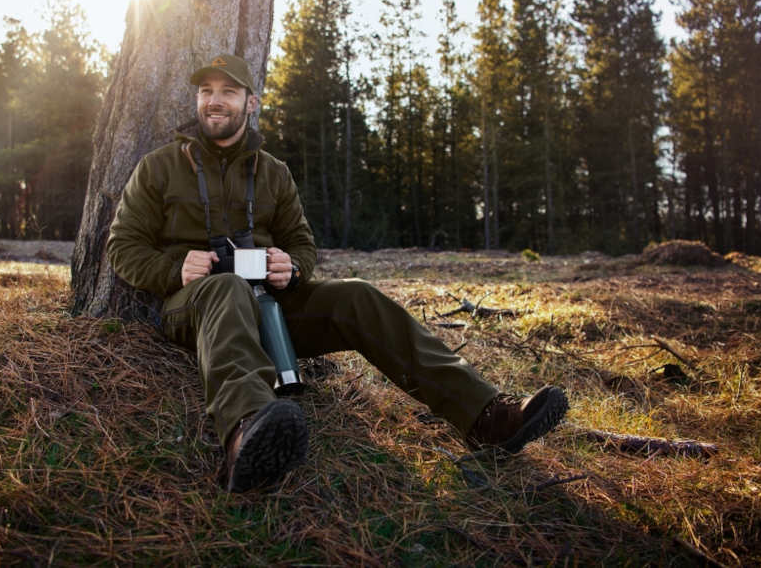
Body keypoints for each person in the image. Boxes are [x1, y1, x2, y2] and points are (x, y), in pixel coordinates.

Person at [107, 53, 569, 493]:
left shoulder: (274, 173)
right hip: (196, 306)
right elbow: (121, 247)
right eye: (206, 90)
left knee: (356, 294)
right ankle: (245, 434)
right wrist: (175, 269)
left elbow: (303, 245)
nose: (214, 100)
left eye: (228, 91)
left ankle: (486, 416)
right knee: (225, 288)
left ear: (251, 101)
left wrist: (292, 266)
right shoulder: (159, 167)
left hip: (270, 305)